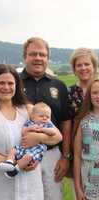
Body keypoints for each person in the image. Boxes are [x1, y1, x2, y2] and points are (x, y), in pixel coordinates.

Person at [0, 64, 62, 200]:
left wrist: (37, 137)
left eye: (10, 83)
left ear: (17, 85)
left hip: (30, 184)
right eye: (1, 83)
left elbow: (57, 137)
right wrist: (15, 164)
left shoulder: (28, 109)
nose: (6, 87)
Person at [20, 37, 72, 200]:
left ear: (47, 58)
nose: (38, 58)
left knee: (54, 197)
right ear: (25, 57)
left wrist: (65, 157)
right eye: (33, 54)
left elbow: (66, 122)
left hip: (52, 155)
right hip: (24, 152)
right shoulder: (13, 83)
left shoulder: (58, 86)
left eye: (42, 55)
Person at [0, 102, 62, 178]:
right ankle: (9, 162)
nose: (45, 118)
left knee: (27, 158)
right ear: (33, 116)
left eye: (47, 117)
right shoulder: (30, 123)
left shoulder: (47, 124)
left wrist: (43, 130)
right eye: (41, 116)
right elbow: (23, 131)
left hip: (35, 150)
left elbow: (54, 132)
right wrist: (30, 128)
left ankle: (15, 170)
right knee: (13, 150)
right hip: (23, 147)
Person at [68, 48, 98, 199]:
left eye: (87, 64)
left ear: (94, 66)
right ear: (74, 69)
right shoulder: (70, 93)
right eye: (79, 65)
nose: (83, 68)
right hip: (81, 151)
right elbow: (66, 124)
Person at [74, 77, 99, 200]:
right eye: (95, 93)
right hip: (88, 180)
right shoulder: (84, 122)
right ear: (89, 96)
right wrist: (78, 188)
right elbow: (77, 156)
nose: (98, 96)